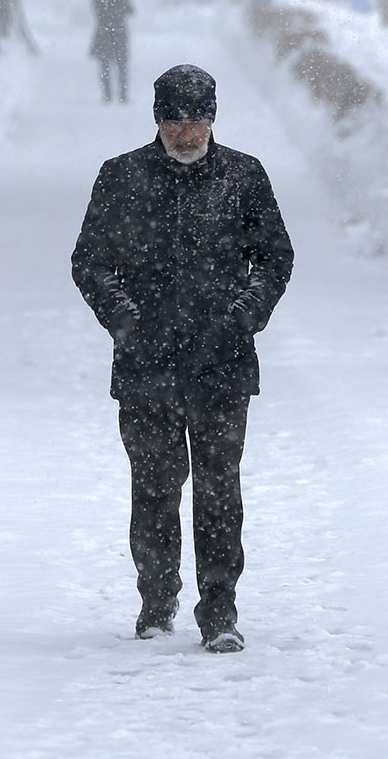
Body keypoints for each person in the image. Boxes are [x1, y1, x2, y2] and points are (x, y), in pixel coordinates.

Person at [71, 65, 294, 653]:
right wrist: (126, 323)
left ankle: (220, 611)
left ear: (213, 118)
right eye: (174, 119)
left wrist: (245, 314)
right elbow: (89, 263)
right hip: (146, 368)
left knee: (220, 491)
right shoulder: (121, 178)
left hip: (221, 364)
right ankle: (156, 598)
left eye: (196, 119)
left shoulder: (244, 177)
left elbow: (275, 257)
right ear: (157, 119)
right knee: (153, 488)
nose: (186, 132)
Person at [89, 0, 133, 103]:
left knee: (122, 67)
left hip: (119, 36)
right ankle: (107, 95)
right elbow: (101, 14)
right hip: (104, 36)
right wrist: (112, 0)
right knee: (105, 67)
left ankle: (123, 95)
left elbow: (131, 11)